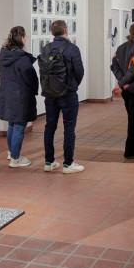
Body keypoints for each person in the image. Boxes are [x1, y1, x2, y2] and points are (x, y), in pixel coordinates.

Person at [43, 20, 86, 174]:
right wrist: (73, 85)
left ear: (52, 32)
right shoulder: (72, 49)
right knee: (69, 128)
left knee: (49, 127)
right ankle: (68, 164)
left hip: (50, 94)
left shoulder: (46, 48)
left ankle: (49, 162)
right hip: (68, 93)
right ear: (66, 31)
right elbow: (79, 71)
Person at [0, 26, 39, 168]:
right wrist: (34, 90)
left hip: (7, 94)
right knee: (19, 126)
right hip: (20, 96)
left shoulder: (3, 54)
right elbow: (31, 78)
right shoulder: (22, 58)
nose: (27, 38)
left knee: (12, 124)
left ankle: (11, 152)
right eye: (25, 36)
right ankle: (15, 158)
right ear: (21, 38)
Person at [111, 21, 134, 159]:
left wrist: (122, 83)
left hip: (129, 90)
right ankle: (131, 150)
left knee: (133, 119)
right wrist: (123, 84)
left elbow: (114, 64)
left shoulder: (122, 47)